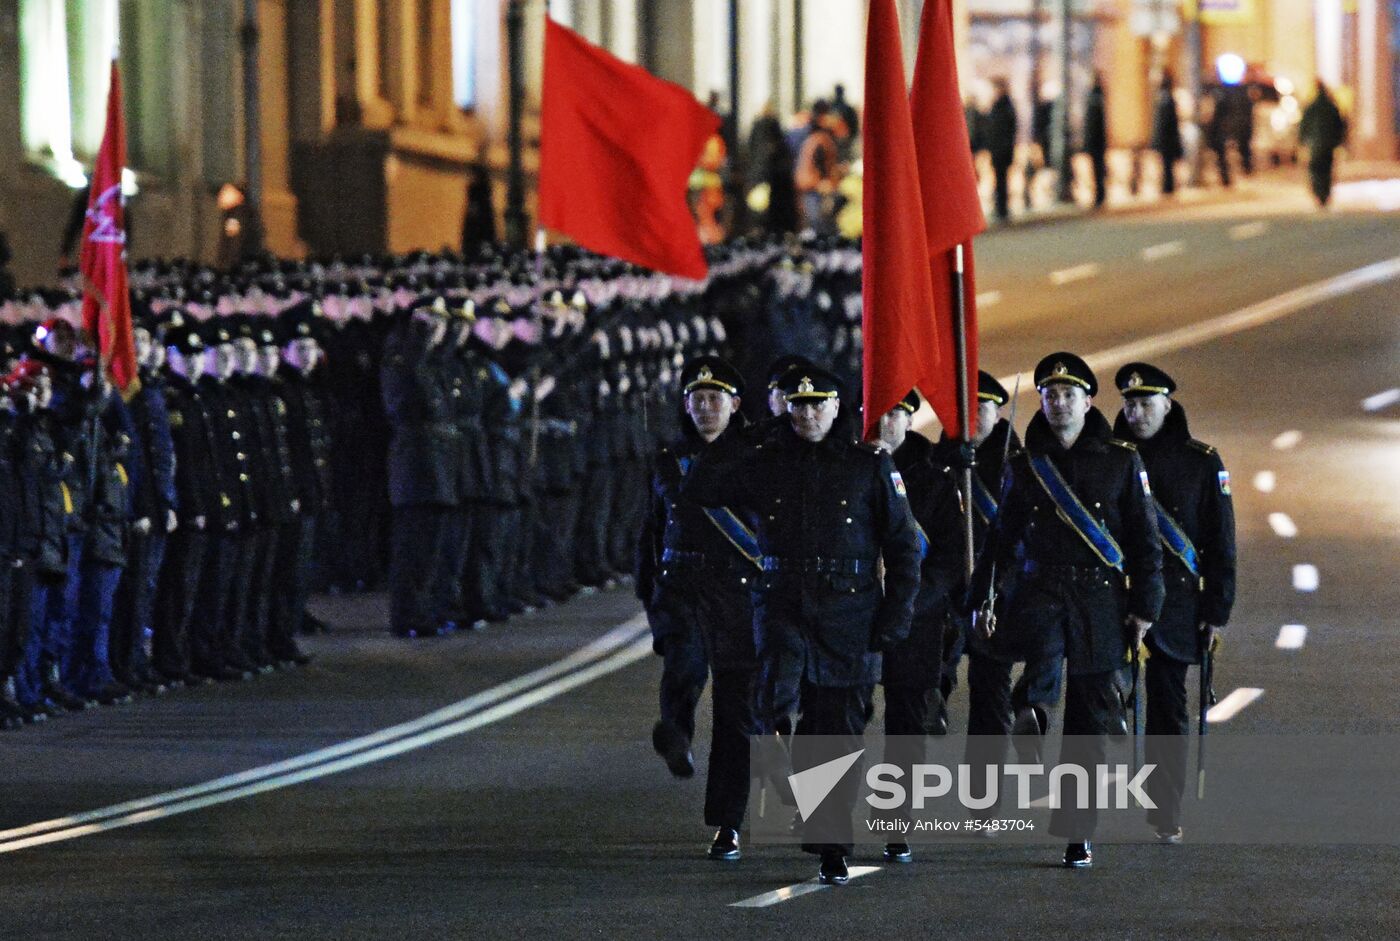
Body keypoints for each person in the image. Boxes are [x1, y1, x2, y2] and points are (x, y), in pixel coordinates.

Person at [684, 367, 920, 886]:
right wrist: (747, 432)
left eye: (818, 404)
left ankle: (831, 845)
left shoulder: (869, 468)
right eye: (797, 405)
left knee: (834, 732)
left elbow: (904, 549)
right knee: (772, 700)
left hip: (849, 612)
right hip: (783, 606)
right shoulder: (766, 462)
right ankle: (785, 779)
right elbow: (700, 487)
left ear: (837, 409)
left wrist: (895, 616)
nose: (807, 413)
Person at [965, 352, 1164, 869]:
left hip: (1100, 600)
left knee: (1089, 724)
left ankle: (1079, 832)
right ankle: (1031, 711)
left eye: (1068, 395)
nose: (1057, 404)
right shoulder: (1024, 465)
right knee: (1043, 661)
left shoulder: (1122, 459)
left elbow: (1145, 542)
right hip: (1040, 593)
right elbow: (1000, 542)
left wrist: (1145, 605)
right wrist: (979, 598)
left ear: (1088, 401)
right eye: (1049, 395)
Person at [637, 356, 759, 861]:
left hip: (738, 595)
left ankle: (728, 822)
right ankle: (676, 734)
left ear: (735, 404)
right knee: (684, 665)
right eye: (696, 399)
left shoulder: (756, 456)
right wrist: (650, 593)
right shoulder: (671, 457)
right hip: (684, 588)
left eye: (715, 399)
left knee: (737, 715)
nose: (705, 407)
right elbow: (651, 530)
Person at [1112, 363, 1235, 843]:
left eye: (1145, 404)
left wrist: (1216, 613)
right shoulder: (1109, 457)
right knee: (1100, 690)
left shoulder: (1202, 461)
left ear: (1167, 404)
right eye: (1129, 403)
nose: (1136, 413)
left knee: (1168, 709)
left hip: (1177, 607)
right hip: (1115, 598)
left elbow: (1220, 544)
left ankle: (1165, 809)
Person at [794, 102, 841, 235]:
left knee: (815, 225)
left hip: (809, 185)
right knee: (820, 225)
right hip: (815, 187)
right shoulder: (822, 139)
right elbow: (821, 164)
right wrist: (826, 183)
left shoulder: (811, 137)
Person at [1299, 81, 1347, 207]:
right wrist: (1339, 141)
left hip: (1315, 144)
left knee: (1316, 169)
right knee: (1326, 169)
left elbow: (1303, 126)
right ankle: (1324, 193)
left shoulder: (1310, 107)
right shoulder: (1332, 107)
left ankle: (1318, 192)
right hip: (1328, 145)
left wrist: (1303, 141)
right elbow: (1340, 126)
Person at [986, 79, 1019, 221]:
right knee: (999, 180)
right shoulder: (998, 106)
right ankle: (1000, 208)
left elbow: (1008, 130)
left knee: (1002, 180)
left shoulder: (1005, 106)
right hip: (997, 150)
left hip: (1002, 151)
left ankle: (1002, 209)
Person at [1151, 73, 1184, 196]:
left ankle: (1167, 187)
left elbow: (1162, 123)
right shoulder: (1168, 99)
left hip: (1165, 140)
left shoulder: (1163, 99)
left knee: (1167, 165)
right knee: (1167, 165)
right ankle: (1168, 187)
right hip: (1169, 139)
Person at [1083, 74, 1109, 208]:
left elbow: (1092, 124)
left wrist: (1087, 142)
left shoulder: (1094, 98)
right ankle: (1100, 194)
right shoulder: (1099, 97)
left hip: (1096, 142)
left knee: (1097, 170)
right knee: (1097, 170)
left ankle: (1100, 195)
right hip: (1097, 142)